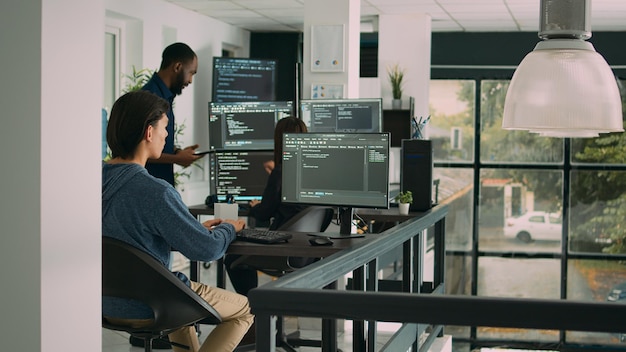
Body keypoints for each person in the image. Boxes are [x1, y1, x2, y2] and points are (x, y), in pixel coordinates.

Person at [102, 90, 253, 352]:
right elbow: (207, 249)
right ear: (149, 133)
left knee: (178, 300)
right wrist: (230, 228)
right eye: (164, 128)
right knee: (246, 310)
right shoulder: (155, 191)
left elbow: (127, 239)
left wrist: (191, 229)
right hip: (152, 305)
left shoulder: (92, 182)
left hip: (104, 303)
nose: (166, 136)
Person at [225, 116, 309, 296]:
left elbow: (264, 214)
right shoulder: (311, 170)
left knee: (233, 257)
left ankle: (253, 310)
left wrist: (255, 206)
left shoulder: (281, 172)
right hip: (307, 251)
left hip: (281, 249)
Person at [142, 42, 203, 186]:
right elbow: (139, 150)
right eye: (191, 73)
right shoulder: (149, 98)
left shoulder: (165, 98)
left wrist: (177, 152)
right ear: (177, 67)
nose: (190, 81)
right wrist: (177, 159)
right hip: (148, 186)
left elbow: (154, 141)